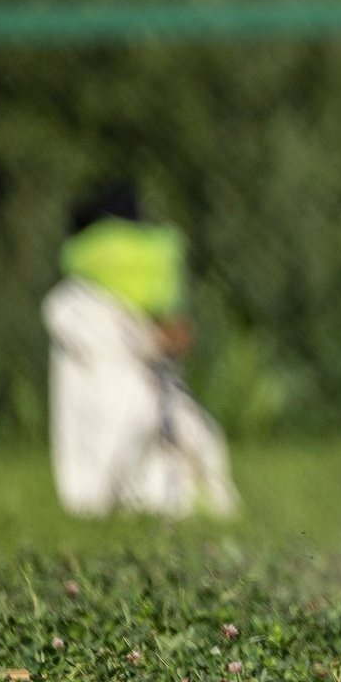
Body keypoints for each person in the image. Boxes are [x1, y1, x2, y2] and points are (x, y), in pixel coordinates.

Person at [44, 182, 238, 519]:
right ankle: (109, 502)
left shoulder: (75, 298)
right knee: (138, 411)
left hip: (134, 406)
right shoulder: (81, 305)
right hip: (124, 407)